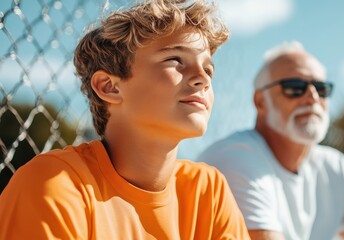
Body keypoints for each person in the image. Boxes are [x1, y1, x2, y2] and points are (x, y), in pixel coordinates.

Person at [0, 1, 250, 239]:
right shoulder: (54, 184)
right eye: (174, 60)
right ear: (109, 87)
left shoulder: (207, 191)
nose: (202, 79)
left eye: (208, 69)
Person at [198, 42, 344, 240]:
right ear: (260, 101)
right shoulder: (235, 159)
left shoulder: (334, 168)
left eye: (321, 88)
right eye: (294, 86)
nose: (312, 96)